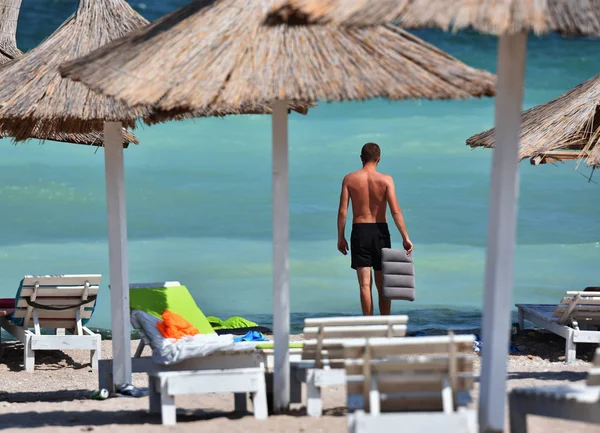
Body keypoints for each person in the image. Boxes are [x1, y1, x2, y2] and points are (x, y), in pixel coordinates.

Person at [337, 142, 413, 316]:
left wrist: (340, 237)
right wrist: (405, 237)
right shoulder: (386, 180)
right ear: (379, 159)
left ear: (361, 158)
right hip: (380, 232)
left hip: (360, 232)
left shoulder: (349, 179)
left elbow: (343, 211)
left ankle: (368, 325)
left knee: (365, 284)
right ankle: (385, 324)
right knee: (383, 284)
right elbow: (395, 211)